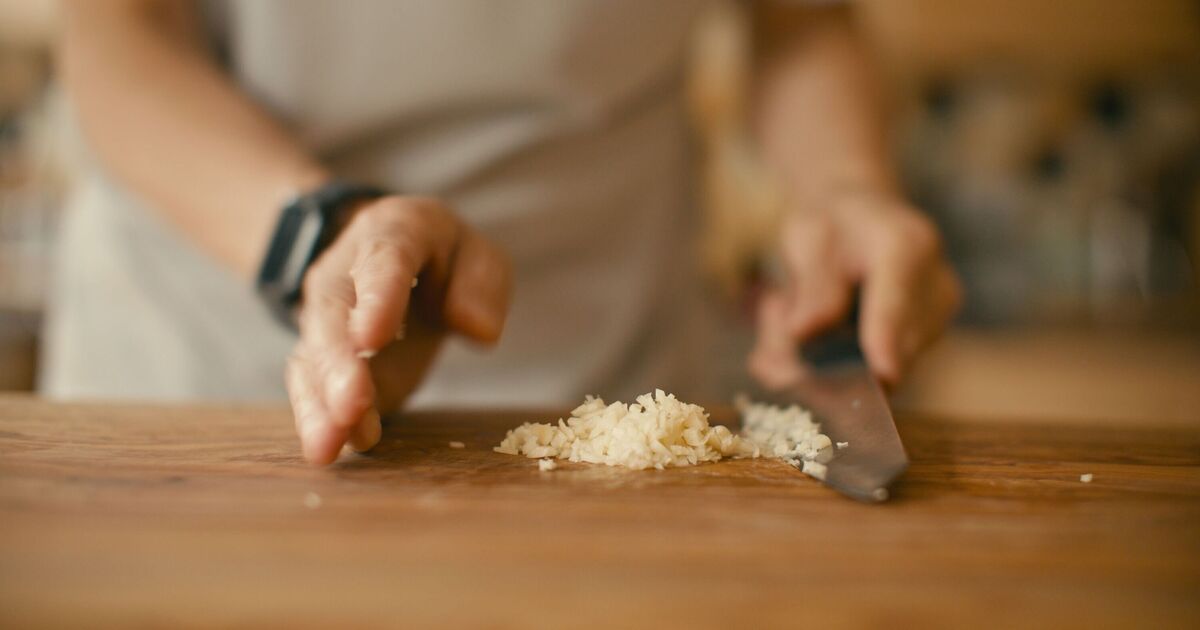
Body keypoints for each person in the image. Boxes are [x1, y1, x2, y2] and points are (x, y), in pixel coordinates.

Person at [49, 0, 961, 465]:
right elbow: (115, 31)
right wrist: (313, 235)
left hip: (618, 370)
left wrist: (843, 185)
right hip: (204, 362)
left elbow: (801, 22)